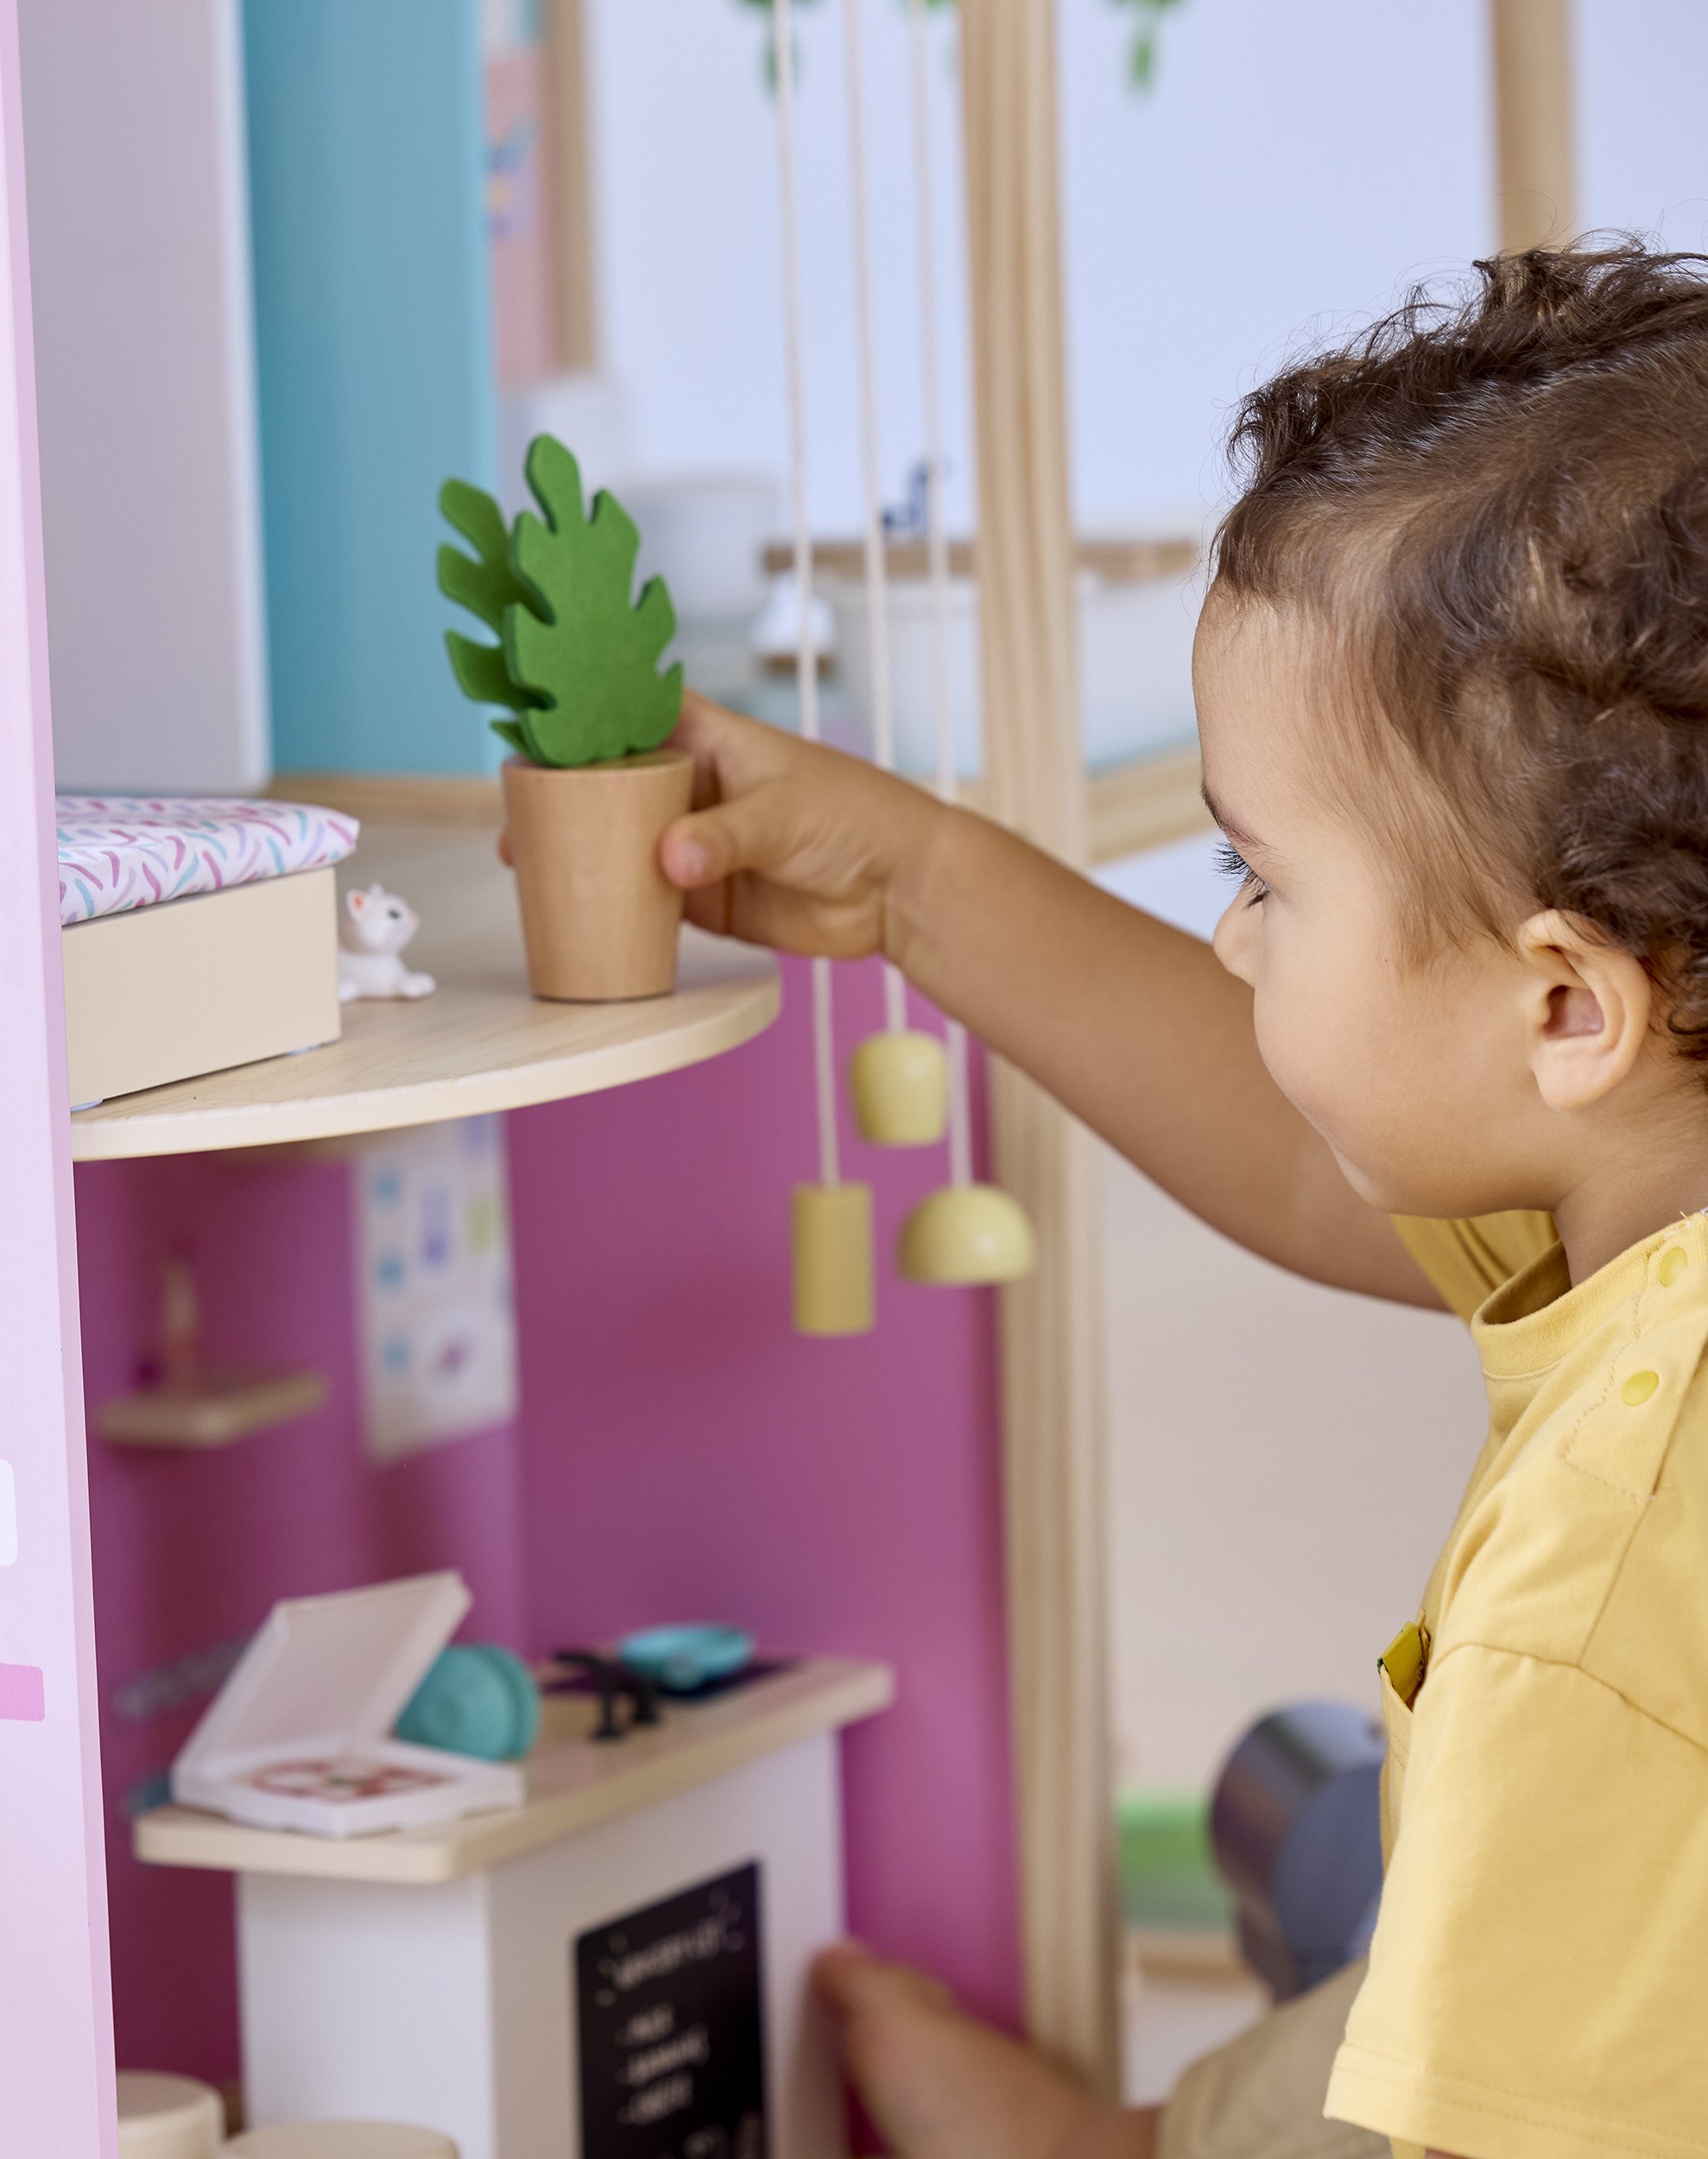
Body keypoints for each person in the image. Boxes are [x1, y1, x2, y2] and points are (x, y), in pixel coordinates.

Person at [658, 243, 1708, 2159]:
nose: (1227, 942)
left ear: (1560, 1001)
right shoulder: (1641, 1158)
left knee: (1418, 1990)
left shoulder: (1596, 1590)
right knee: (1385, 1978)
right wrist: (903, 878)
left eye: (1261, 878)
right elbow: (1307, 1155)